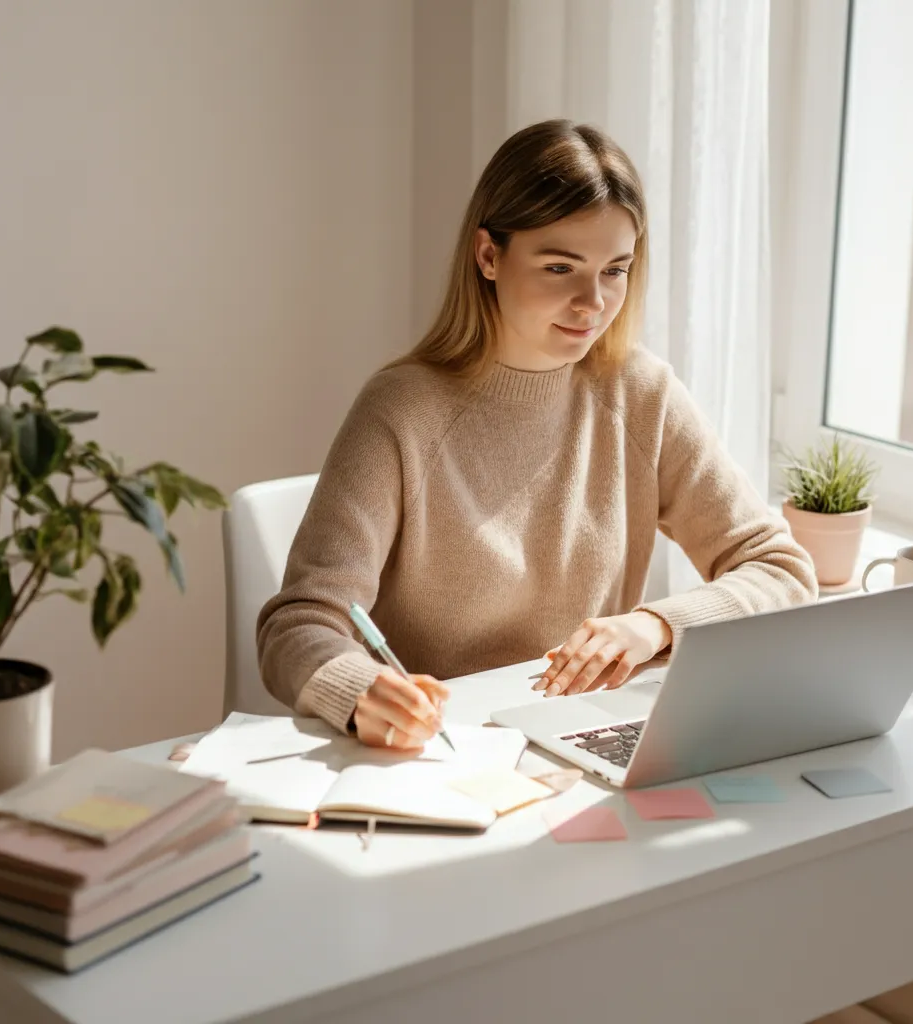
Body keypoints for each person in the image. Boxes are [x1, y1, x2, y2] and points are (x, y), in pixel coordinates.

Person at [256, 118, 818, 752]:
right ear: (489, 255)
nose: (593, 303)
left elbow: (781, 569)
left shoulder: (641, 392)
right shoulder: (402, 410)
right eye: (560, 267)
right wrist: (360, 690)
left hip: (583, 738)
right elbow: (299, 624)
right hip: (444, 753)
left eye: (615, 270)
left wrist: (655, 624)